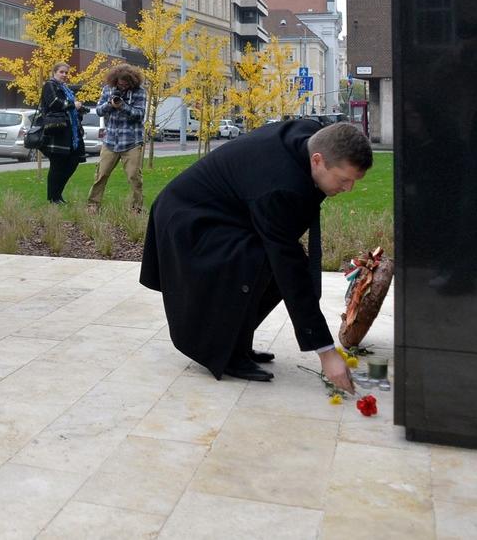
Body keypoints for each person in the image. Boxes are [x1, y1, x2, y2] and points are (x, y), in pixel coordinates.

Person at [140, 120, 371, 389]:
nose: (348, 188)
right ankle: (223, 353)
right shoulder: (281, 186)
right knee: (260, 261)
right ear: (318, 160)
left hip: (222, 213)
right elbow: (290, 267)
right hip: (187, 221)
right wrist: (326, 352)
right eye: (344, 179)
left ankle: (236, 345)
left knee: (272, 262)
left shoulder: (312, 139)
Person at [88, 64, 147, 212]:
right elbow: (99, 111)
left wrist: (123, 106)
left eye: (126, 82)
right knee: (101, 174)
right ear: (115, 79)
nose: (123, 85)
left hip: (131, 141)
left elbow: (139, 114)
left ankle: (136, 208)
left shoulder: (139, 92)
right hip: (110, 140)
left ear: (132, 81)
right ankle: (93, 205)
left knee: (134, 176)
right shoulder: (108, 89)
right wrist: (110, 104)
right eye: (120, 82)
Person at [40, 63, 89, 204]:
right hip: (58, 132)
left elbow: (68, 107)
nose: (64, 75)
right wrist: (74, 104)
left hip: (72, 133)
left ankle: (58, 194)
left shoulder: (65, 88)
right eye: (61, 72)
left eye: (66, 73)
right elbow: (54, 103)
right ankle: (53, 198)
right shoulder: (49, 85)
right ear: (54, 72)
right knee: (57, 166)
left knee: (74, 161)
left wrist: (79, 109)